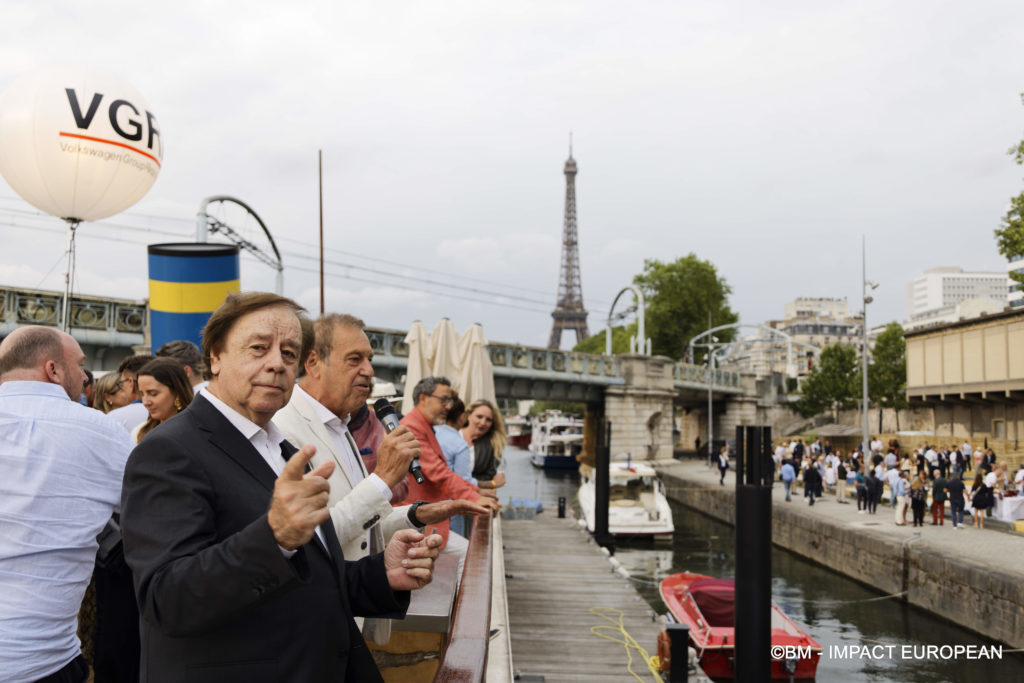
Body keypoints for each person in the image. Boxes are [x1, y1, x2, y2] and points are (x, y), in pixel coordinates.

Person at [120, 292, 442, 682]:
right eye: (258, 348)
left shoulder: (281, 447)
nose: (276, 363)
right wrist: (274, 536)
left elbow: (311, 578)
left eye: (289, 353)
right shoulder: (168, 451)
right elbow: (167, 600)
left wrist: (381, 574)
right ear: (216, 357)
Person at [0, 325, 133, 683]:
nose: (84, 377)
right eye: (80, 365)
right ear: (53, 370)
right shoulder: (100, 432)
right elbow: (152, 512)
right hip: (39, 660)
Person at [95, 358, 197, 683]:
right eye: (142, 394)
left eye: (153, 393)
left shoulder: (196, 433)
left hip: (178, 544)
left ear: (177, 393)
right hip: (134, 543)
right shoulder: (140, 430)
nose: (146, 401)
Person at [400, 377, 501, 576]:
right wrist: (476, 499)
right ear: (423, 398)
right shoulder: (413, 428)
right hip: (416, 519)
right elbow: (440, 474)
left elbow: (445, 474)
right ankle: (464, 607)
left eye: (450, 402)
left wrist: (477, 491)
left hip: (424, 518)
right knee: (472, 556)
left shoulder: (423, 426)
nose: (448, 407)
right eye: (443, 400)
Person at [462, 399, 508, 489]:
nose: (483, 423)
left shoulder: (492, 446)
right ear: (468, 415)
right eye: (479, 417)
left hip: (474, 497)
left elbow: (496, 479)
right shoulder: (452, 436)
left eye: (488, 420)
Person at [106, 353, 155, 432]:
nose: (122, 388)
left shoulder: (114, 417)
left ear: (131, 383)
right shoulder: (171, 412)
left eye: (122, 383)